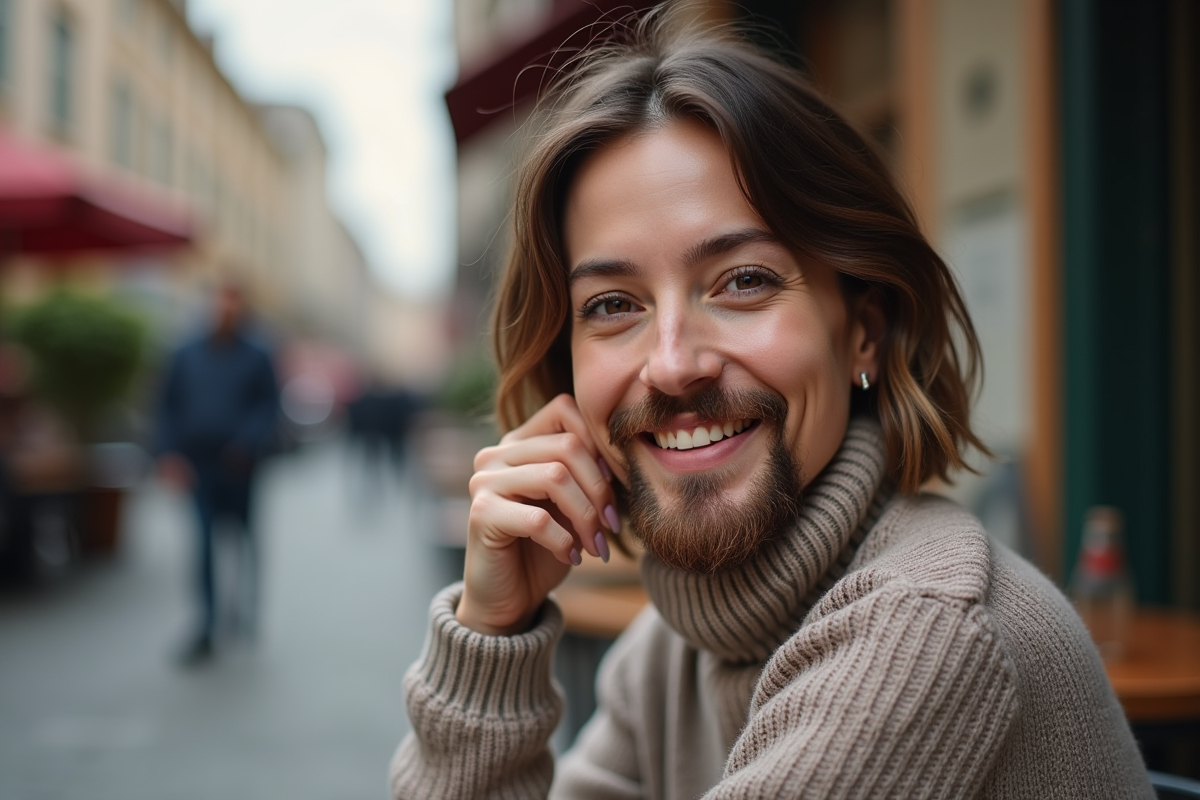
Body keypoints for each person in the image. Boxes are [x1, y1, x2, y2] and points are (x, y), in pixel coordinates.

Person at [390, 9, 1152, 799]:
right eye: (614, 304)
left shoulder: (925, 629)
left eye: (744, 281)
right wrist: (489, 632)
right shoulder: (677, 644)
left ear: (862, 329)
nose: (674, 363)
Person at [156, 282, 279, 665]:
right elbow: (166, 406)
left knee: (245, 541)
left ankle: (244, 612)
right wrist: (168, 454)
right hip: (199, 466)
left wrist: (247, 442)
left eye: (231, 304)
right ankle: (207, 624)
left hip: (241, 466)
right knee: (203, 544)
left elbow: (270, 406)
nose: (224, 310)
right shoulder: (184, 353)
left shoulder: (258, 354)